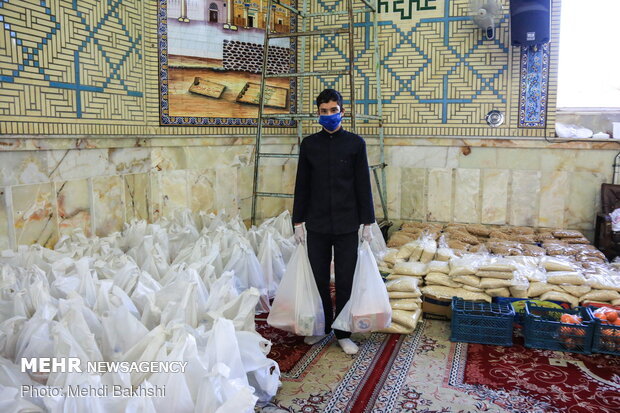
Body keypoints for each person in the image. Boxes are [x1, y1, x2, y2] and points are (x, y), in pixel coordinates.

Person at [292, 89, 375, 355]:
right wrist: (298, 221)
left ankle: (343, 332)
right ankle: (322, 327)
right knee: (318, 280)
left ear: (342, 111)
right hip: (316, 224)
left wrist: (368, 222)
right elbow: (302, 185)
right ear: (318, 112)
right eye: (324, 111)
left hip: (347, 224)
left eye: (333, 110)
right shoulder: (309, 144)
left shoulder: (355, 143)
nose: (329, 115)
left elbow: (363, 184)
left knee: (344, 280)